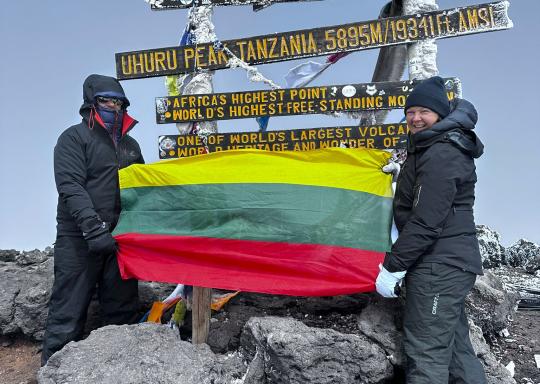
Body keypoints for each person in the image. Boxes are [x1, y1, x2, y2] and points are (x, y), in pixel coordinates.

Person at [376, 76, 487, 383]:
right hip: (448, 264)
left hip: (439, 266)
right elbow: (429, 198)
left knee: (427, 356)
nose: (415, 118)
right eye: (410, 111)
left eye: (424, 111)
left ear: (439, 113)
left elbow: (426, 221)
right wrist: (404, 179)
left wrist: (393, 267)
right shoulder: (434, 146)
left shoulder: (441, 153)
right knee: (456, 353)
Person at [41, 74, 144, 365]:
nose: (114, 106)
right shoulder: (74, 138)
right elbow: (71, 187)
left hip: (120, 240)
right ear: (91, 103)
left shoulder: (131, 146)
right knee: (68, 312)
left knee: (122, 313)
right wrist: (93, 229)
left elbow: (140, 189)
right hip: (79, 240)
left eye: (119, 101)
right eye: (106, 100)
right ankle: (52, 372)